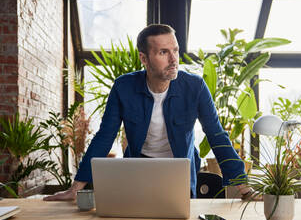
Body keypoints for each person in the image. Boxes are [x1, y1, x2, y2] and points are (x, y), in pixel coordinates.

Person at [44, 24, 250, 201]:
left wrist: (244, 188)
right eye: (163, 52)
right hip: (138, 171)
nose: (173, 59)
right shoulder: (123, 87)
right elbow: (105, 136)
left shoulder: (195, 86)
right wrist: (75, 189)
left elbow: (216, 135)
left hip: (180, 172)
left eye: (175, 50)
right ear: (144, 58)